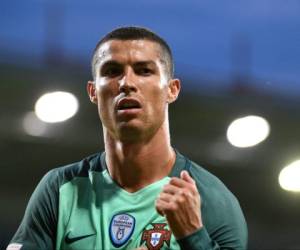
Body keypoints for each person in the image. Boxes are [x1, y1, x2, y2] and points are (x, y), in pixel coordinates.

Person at [7, 26, 247, 250]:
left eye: (144, 71)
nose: (127, 83)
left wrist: (194, 237)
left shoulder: (212, 200)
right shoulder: (59, 189)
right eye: (112, 71)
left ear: (171, 90)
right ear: (92, 92)